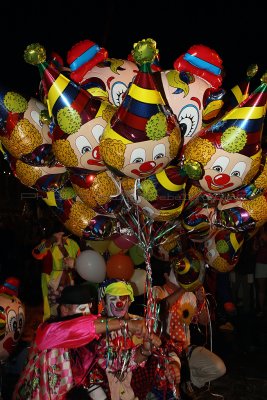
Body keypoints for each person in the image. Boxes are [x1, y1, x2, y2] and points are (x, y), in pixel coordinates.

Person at [12, 282, 149, 400]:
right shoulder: (48, 331)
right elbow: (77, 328)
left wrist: (145, 350)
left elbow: (117, 363)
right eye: (82, 310)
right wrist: (124, 323)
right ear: (64, 309)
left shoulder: (91, 341)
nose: (87, 316)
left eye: (89, 311)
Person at [96, 278, 181, 400]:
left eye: (123, 298)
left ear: (129, 301)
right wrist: (144, 351)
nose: (118, 303)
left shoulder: (142, 323)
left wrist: (174, 364)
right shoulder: (99, 331)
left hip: (147, 388)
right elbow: (113, 366)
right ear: (104, 303)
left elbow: (167, 348)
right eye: (113, 299)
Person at [153, 266, 226, 399]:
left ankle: (189, 381)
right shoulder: (157, 291)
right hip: (164, 353)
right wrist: (183, 288)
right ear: (165, 275)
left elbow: (204, 322)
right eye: (175, 272)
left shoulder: (188, 295)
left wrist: (201, 301)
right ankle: (180, 383)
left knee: (219, 368)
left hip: (185, 350)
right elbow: (160, 308)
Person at [32, 230, 80, 320]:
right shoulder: (48, 243)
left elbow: (80, 262)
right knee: (54, 311)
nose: (61, 236)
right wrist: (51, 240)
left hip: (69, 283)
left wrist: (61, 246)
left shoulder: (73, 244)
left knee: (69, 310)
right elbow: (36, 253)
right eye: (58, 234)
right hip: (53, 284)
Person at [254, 224, 267, 317]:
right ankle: (262, 309)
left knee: (261, 289)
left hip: (261, 263)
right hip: (261, 263)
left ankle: (262, 309)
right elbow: (255, 249)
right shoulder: (258, 235)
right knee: (261, 289)